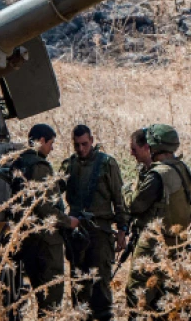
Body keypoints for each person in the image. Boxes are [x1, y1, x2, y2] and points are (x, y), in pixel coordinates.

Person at [124, 124, 191, 318]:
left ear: (154, 146)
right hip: (179, 244)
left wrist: (127, 191)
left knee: (136, 295)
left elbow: (135, 205)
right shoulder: (181, 168)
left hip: (155, 243)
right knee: (171, 299)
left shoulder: (157, 175)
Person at [61, 124, 130, 321]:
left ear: (92, 140)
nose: (81, 149)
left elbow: (119, 199)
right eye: (77, 145)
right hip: (76, 232)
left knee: (101, 285)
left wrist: (122, 231)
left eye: (84, 144)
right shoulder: (69, 165)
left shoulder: (107, 163)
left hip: (100, 231)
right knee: (79, 285)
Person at [13, 124, 80, 316]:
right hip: (46, 239)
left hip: (27, 235)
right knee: (52, 296)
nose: (51, 148)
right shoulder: (39, 166)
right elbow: (44, 208)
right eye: (51, 143)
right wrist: (69, 221)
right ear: (41, 141)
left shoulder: (18, 161)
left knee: (37, 288)